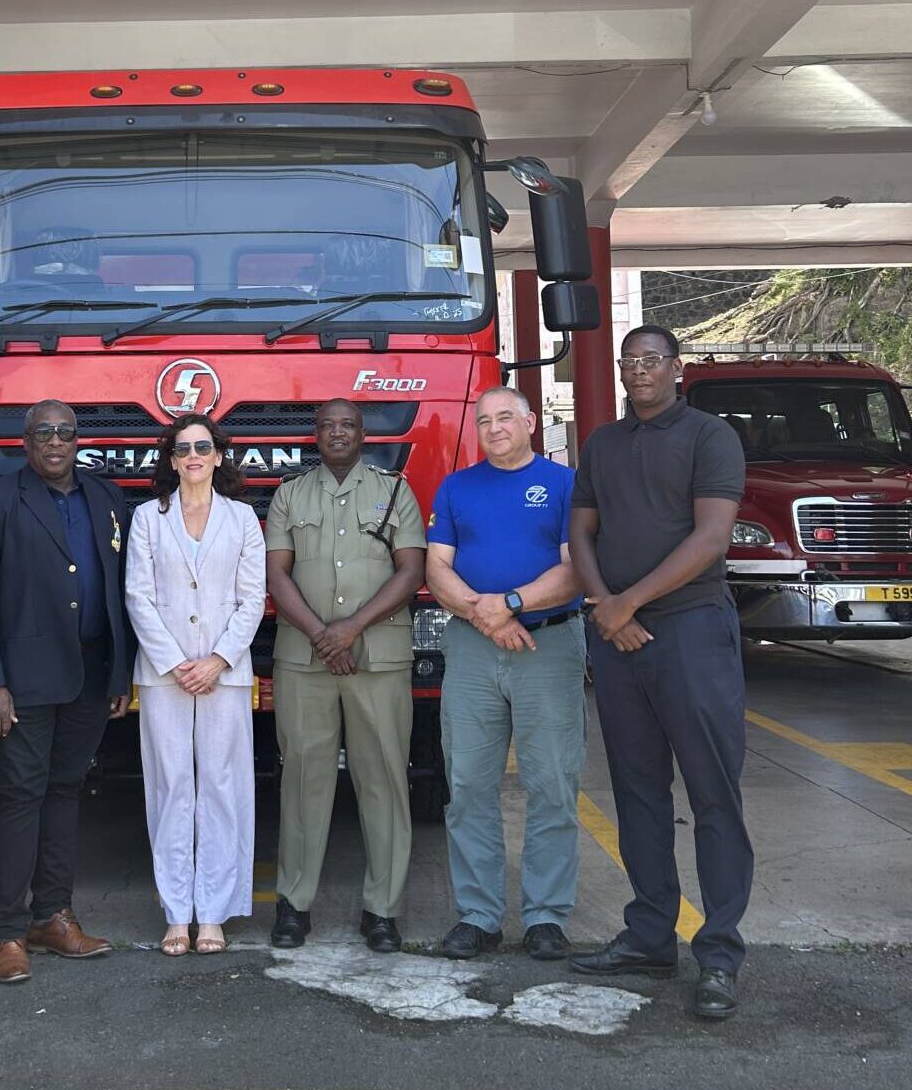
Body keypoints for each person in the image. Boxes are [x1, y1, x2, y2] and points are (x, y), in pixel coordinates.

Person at [567, 324, 751, 1023]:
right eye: (628, 362)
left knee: (712, 792)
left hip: (692, 630)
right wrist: (606, 611)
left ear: (676, 367)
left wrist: (627, 601)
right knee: (638, 791)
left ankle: (720, 954)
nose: (638, 372)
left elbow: (711, 537)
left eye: (650, 361)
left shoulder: (709, 436)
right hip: (618, 640)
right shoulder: (603, 443)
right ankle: (649, 935)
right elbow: (581, 531)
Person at [0, 400, 133, 985]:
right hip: (22, 679)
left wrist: (121, 674)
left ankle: (53, 917)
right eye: (44, 433)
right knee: (20, 797)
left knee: (66, 791)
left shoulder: (105, 498)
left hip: (90, 675)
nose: (56, 442)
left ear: (77, 439)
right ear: (27, 441)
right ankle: (9, 932)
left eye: (65, 432)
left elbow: (118, 591)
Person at [425, 385, 584, 962]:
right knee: (467, 784)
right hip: (472, 649)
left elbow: (575, 570)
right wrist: (484, 614)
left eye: (504, 418)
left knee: (552, 784)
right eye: (484, 420)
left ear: (531, 422)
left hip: (549, 647)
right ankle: (478, 915)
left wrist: (510, 603)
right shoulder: (457, 486)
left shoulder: (565, 484)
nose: (493, 428)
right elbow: (435, 565)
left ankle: (545, 916)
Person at [264, 399, 426, 952]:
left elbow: (412, 570)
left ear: (363, 434)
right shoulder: (290, 494)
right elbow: (276, 575)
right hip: (305, 660)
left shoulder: (395, 490)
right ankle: (294, 905)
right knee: (303, 779)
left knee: (383, 778)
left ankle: (382, 911)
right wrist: (322, 635)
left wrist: (350, 627)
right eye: (328, 425)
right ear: (316, 434)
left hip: (376, 657)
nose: (337, 433)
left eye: (347, 425)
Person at [125, 413, 265, 956]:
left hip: (223, 677)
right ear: (171, 458)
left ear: (219, 455)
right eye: (182, 448)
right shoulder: (146, 519)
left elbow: (251, 598)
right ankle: (176, 913)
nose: (193, 456)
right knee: (171, 789)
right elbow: (139, 596)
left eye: (203, 447)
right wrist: (176, 662)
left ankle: (214, 914)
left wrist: (218, 660)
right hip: (165, 677)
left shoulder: (243, 519)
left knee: (223, 790)